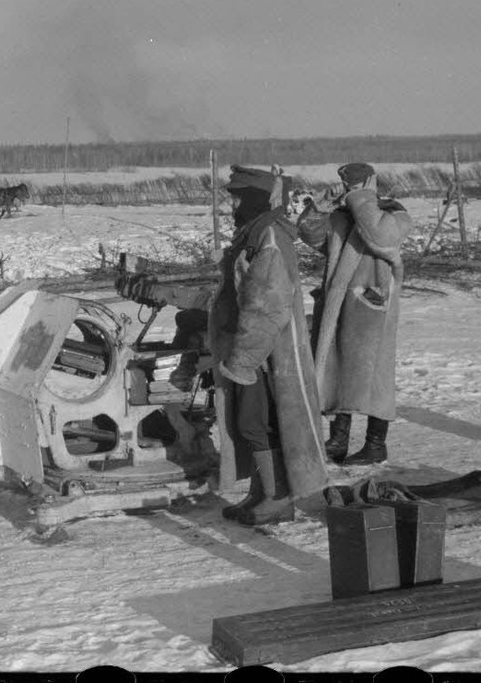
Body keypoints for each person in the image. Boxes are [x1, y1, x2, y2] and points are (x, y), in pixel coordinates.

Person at [118, 165, 328, 525]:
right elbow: (228, 298)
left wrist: (244, 361)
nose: (232, 206)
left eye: (238, 198)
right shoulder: (255, 235)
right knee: (252, 422)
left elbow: (266, 308)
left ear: (256, 199)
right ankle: (261, 493)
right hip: (247, 350)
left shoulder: (269, 240)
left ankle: (277, 498)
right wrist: (163, 292)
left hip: (262, 355)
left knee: (256, 423)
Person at [296, 162, 412, 465]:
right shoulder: (343, 214)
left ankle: (376, 444)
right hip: (338, 303)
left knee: (375, 375)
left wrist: (361, 199)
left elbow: (382, 239)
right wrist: (320, 209)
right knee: (338, 369)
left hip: (373, 305)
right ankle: (338, 440)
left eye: (357, 183)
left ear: (371, 181)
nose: (351, 188)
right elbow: (312, 237)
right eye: (349, 184)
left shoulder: (391, 211)